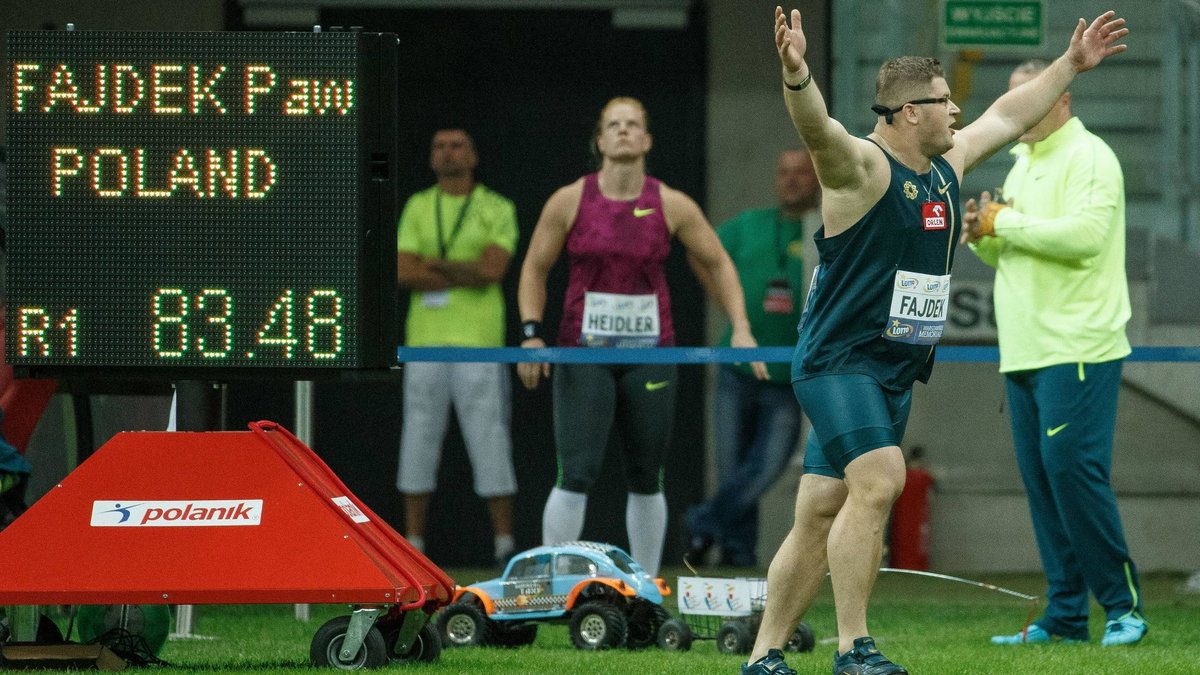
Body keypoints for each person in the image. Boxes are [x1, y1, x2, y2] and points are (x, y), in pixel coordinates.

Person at [742, 8, 1129, 675]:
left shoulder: (945, 166)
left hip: (892, 367)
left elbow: (1008, 114)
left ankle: (763, 655)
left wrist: (1071, 65)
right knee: (882, 477)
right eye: (944, 101)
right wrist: (797, 73)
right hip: (839, 363)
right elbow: (817, 129)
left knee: (818, 509)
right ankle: (853, 647)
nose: (957, 110)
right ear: (905, 113)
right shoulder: (861, 168)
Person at [516, 97, 767, 577]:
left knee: (647, 475)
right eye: (614, 125)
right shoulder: (570, 200)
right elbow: (534, 268)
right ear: (600, 140)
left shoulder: (671, 203)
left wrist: (741, 328)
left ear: (648, 140)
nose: (624, 132)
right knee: (576, 472)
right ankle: (556, 581)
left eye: (634, 125)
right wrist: (531, 334)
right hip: (582, 352)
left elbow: (717, 262)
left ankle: (646, 586)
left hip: (650, 354)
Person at [964, 59, 1147, 647]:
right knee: (1045, 482)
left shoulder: (1091, 157)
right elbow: (1015, 253)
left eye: (1031, 102)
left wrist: (1006, 222)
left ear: (1061, 100)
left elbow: (1086, 239)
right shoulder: (1023, 162)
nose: (1017, 117)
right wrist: (984, 236)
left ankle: (1123, 609)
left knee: (1075, 474)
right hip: (1023, 352)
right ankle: (1066, 616)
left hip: (1078, 346)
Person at [685, 149, 820, 568]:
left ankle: (702, 521)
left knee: (766, 467)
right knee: (733, 469)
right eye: (784, 172)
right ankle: (738, 555)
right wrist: (727, 305)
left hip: (789, 373)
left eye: (801, 172)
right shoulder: (748, 224)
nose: (792, 180)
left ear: (816, 179)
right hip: (738, 368)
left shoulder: (825, 227)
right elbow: (698, 250)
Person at [394, 128, 518, 566]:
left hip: (479, 344)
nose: (447, 151)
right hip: (425, 344)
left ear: (474, 154)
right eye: (439, 145)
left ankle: (504, 545)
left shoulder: (496, 207)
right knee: (418, 437)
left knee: (490, 437)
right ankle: (413, 544)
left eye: (457, 145)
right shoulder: (417, 205)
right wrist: (461, 270)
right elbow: (403, 271)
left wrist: (435, 264)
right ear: (430, 158)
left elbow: (492, 270)